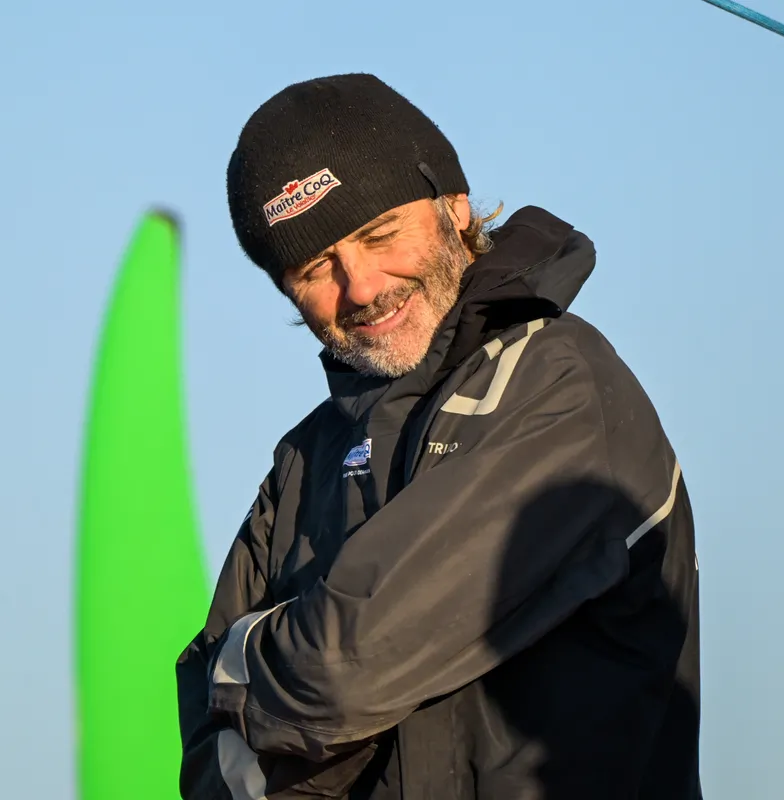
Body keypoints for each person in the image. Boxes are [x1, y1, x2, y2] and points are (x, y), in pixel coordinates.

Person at [176, 73, 703, 800]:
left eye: (378, 235)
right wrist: (269, 692)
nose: (359, 286)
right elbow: (207, 754)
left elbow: (346, 666)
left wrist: (251, 675)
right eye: (313, 268)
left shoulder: (560, 384)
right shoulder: (302, 466)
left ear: (454, 207)